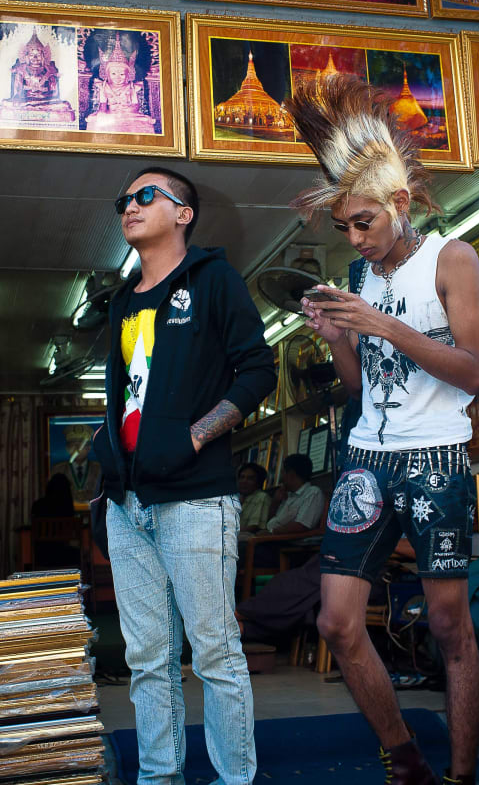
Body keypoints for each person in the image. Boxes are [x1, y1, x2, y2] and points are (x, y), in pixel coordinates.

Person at [288, 75, 479, 785]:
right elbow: (356, 386)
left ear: (401, 203)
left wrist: (380, 323)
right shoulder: (360, 276)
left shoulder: (451, 259)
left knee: (446, 624)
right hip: (366, 457)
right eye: (345, 225)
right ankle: (405, 758)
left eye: (365, 222)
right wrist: (334, 335)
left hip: (436, 454)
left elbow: (473, 373)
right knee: (337, 622)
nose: (355, 237)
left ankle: (461, 773)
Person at [91, 166, 276, 785]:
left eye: (146, 196)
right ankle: (159, 777)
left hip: (196, 499)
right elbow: (125, 394)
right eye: (124, 200)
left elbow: (258, 371)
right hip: (128, 505)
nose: (130, 207)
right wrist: (110, 460)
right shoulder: (122, 301)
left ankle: (235, 779)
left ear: (183, 213)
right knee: (147, 658)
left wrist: (195, 436)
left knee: (216, 652)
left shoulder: (215, 281)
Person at [265, 454, 324, 534]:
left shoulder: (313, 492)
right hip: (269, 537)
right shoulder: (287, 494)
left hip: (283, 541)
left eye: (282, 472)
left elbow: (301, 526)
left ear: (291, 474)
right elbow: (272, 522)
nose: (281, 478)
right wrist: (275, 503)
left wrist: (271, 532)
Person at [237, 462, 272, 534]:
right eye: (242, 477)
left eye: (250, 478)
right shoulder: (238, 498)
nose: (244, 481)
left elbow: (252, 528)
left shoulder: (261, 497)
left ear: (258, 482)